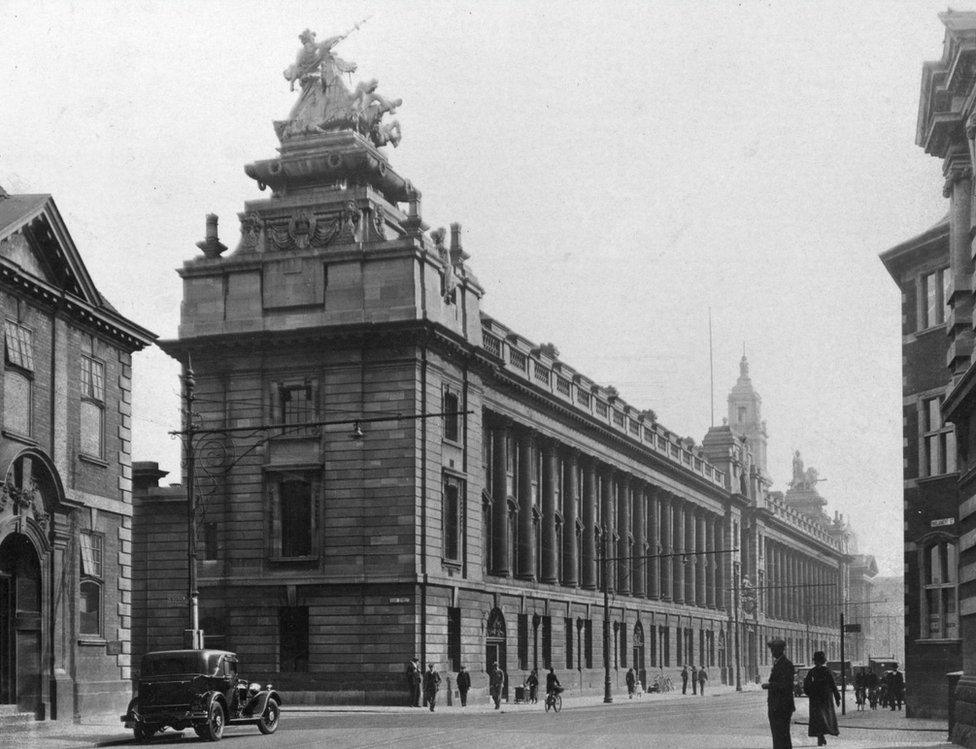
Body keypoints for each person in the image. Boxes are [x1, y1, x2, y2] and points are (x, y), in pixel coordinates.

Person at [762, 637, 795, 749]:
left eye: (773, 650)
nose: (772, 653)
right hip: (776, 705)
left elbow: (786, 685)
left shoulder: (786, 664)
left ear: (780, 650)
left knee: (782, 735)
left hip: (782, 706)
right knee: (777, 735)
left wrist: (769, 685)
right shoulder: (778, 663)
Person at [803, 651, 840, 747]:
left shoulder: (814, 671)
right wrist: (837, 697)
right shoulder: (825, 671)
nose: (818, 663)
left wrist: (810, 692)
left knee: (820, 718)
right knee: (822, 718)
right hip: (824, 698)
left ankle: (821, 736)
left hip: (819, 698)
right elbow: (833, 684)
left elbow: (806, 685)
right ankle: (821, 736)